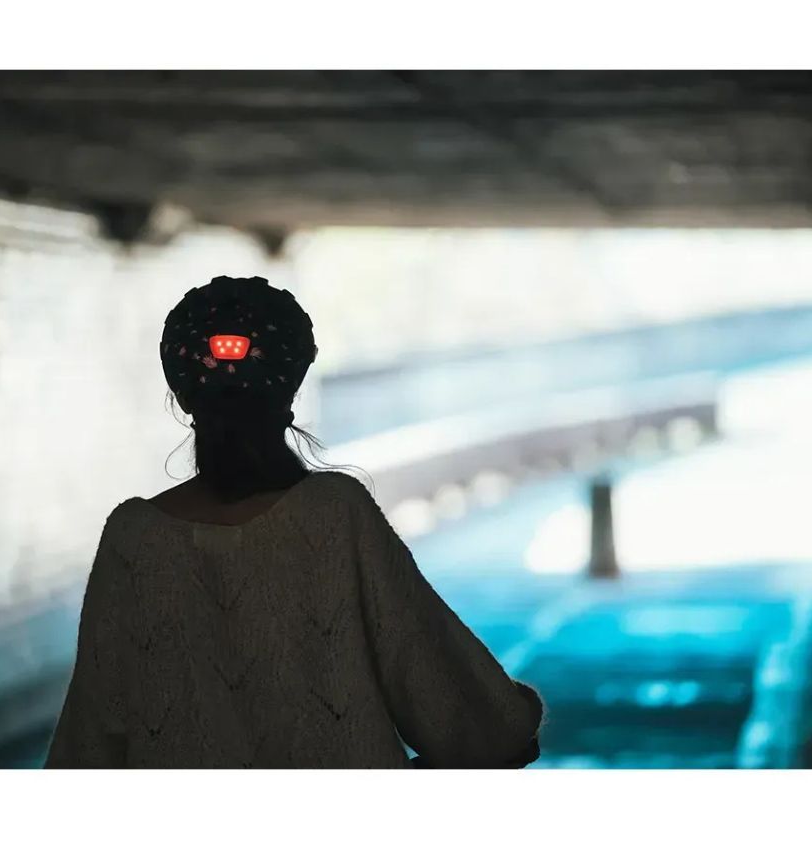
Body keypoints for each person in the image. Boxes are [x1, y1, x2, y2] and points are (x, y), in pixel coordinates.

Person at [45, 275, 544, 768]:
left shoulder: (133, 537)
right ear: (291, 386)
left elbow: (90, 736)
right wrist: (508, 723)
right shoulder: (333, 512)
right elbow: (454, 698)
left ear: (182, 393)